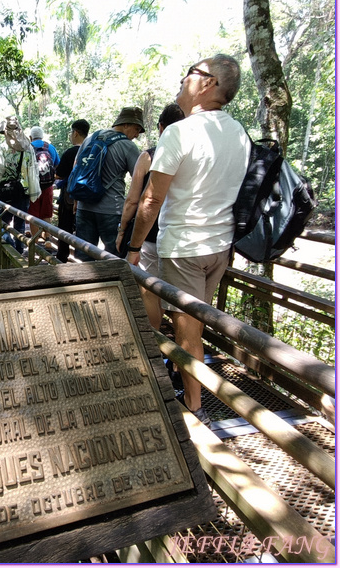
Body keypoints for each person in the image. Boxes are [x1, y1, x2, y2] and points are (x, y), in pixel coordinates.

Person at [126, 54, 250, 427]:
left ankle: (194, 410)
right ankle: (192, 389)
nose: (183, 78)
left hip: (184, 247)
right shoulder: (239, 133)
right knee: (195, 325)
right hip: (219, 248)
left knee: (187, 331)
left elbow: (151, 199)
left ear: (209, 84)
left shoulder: (180, 132)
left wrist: (133, 249)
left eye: (191, 73)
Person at [117, 104, 185, 326]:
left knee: (149, 291)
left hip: (151, 236)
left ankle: (154, 342)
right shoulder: (196, 154)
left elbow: (133, 200)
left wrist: (122, 231)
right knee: (183, 303)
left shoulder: (148, 156)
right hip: (183, 237)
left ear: (160, 127)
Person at [74, 106, 143, 260]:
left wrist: (76, 201)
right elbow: (140, 179)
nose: (137, 135)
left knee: (84, 257)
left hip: (84, 206)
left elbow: (76, 167)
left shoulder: (91, 138)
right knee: (114, 258)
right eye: (137, 129)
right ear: (126, 124)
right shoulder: (128, 146)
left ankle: (84, 284)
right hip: (112, 210)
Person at [0, 117, 41, 253]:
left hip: (6, 191)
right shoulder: (28, 147)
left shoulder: (3, 148)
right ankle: (20, 249)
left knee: (4, 220)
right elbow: (34, 169)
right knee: (20, 222)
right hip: (23, 191)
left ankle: (8, 245)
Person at [56, 119, 90, 262]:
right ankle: (81, 259)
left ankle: (62, 257)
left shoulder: (70, 152)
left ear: (75, 133)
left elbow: (59, 174)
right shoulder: (91, 150)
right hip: (88, 198)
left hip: (69, 198)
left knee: (65, 227)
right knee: (84, 231)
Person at [28, 126, 61, 250]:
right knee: (47, 212)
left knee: (33, 213)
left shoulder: (28, 148)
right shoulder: (50, 147)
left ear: (31, 137)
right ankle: (48, 238)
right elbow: (58, 164)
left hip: (33, 186)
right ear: (42, 136)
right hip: (48, 185)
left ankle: (35, 241)